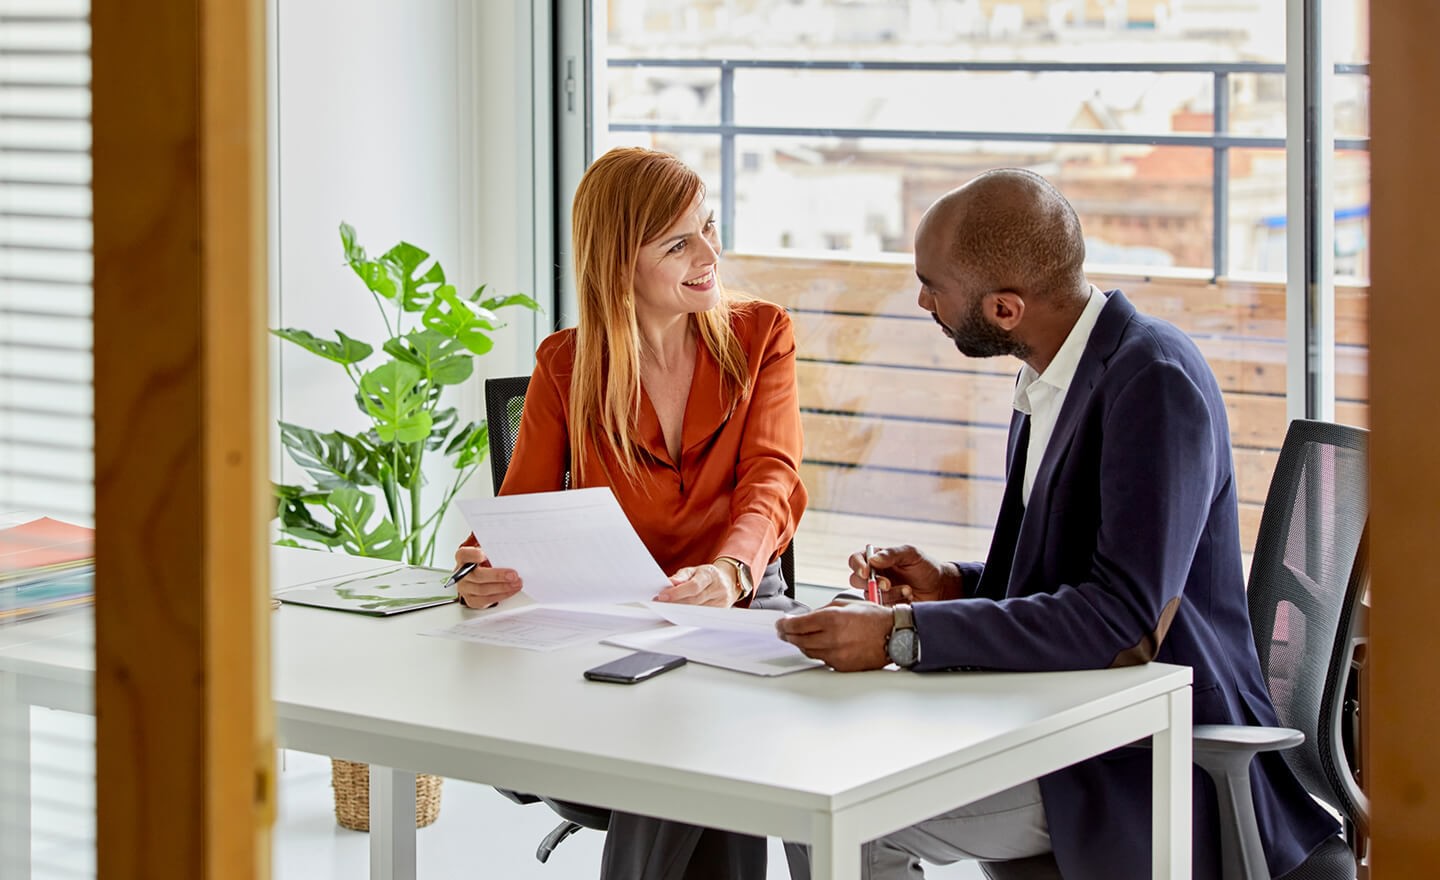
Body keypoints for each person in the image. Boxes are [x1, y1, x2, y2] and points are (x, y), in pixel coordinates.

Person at [775, 169, 1340, 880]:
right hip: (1062, 712)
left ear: (1004, 308)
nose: (922, 302)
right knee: (814, 787)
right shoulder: (1053, 374)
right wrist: (951, 584)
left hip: (1145, 749)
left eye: (931, 285)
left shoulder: (1154, 382)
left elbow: (1123, 620)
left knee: (846, 819)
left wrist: (901, 634)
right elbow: (1068, 576)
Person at [455, 146, 809, 880]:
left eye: (709, 226)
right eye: (678, 243)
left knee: (686, 729)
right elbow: (518, 513)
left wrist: (730, 569)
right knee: (693, 733)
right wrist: (480, 567)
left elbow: (772, 476)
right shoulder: (566, 365)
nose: (709, 254)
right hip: (613, 620)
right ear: (619, 263)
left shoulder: (761, 335)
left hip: (739, 610)